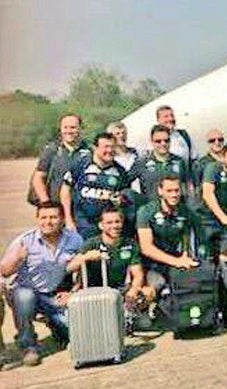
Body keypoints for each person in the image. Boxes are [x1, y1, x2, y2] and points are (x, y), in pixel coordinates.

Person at [0, 202, 83, 366]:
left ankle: (55, 324)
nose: (48, 222)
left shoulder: (74, 239)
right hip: (24, 293)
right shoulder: (25, 241)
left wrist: (73, 291)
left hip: (52, 295)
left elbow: (82, 267)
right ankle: (28, 345)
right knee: (25, 297)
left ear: (62, 219)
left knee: (74, 333)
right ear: (37, 219)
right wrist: (18, 258)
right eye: (43, 217)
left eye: (53, 217)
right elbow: (4, 271)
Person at [69, 206, 153, 318]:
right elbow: (70, 267)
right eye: (109, 223)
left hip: (119, 290)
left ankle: (127, 315)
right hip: (94, 291)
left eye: (117, 222)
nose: (114, 226)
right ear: (101, 225)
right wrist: (86, 257)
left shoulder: (130, 244)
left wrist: (133, 290)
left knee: (148, 292)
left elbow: (138, 274)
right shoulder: (92, 243)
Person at [137, 174, 200, 296]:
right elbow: (146, 248)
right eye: (169, 191)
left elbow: (186, 238)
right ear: (160, 191)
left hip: (174, 261)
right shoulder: (146, 212)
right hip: (151, 265)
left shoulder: (185, 211)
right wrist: (176, 262)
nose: (174, 195)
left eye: (176, 190)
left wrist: (185, 257)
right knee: (154, 287)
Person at [60, 132, 131, 239]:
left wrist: (121, 200)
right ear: (95, 148)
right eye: (106, 147)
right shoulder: (80, 165)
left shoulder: (120, 172)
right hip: (83, 225)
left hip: (108, 228)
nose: (110, 150)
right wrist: (68, 220)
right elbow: (65, 190)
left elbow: (125, 198)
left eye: (112, 147)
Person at [30, 114, 89, 205]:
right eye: (65, 127)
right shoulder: (51, 150)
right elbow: (38, 177)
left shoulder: (90, 151)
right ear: (60, 129)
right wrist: (45, 202)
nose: (69, 131)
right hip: (55, 205)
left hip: (81, 207)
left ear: (81, 129)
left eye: (73, 127)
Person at [130, 125, 189, 200]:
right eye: (158, 141)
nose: (163, 144)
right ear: (151, 142)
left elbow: (187, 186)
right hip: (151, 208)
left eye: (166, 140)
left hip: (175, 208)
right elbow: (124, 183)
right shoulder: (142, 163)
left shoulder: (179, 161)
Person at [155, 105, 197, 171]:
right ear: (158, 120)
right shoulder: (154, 140)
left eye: (172, 116)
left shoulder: (183, 135)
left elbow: (194, 158)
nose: (170, 119)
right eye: (166, 116)